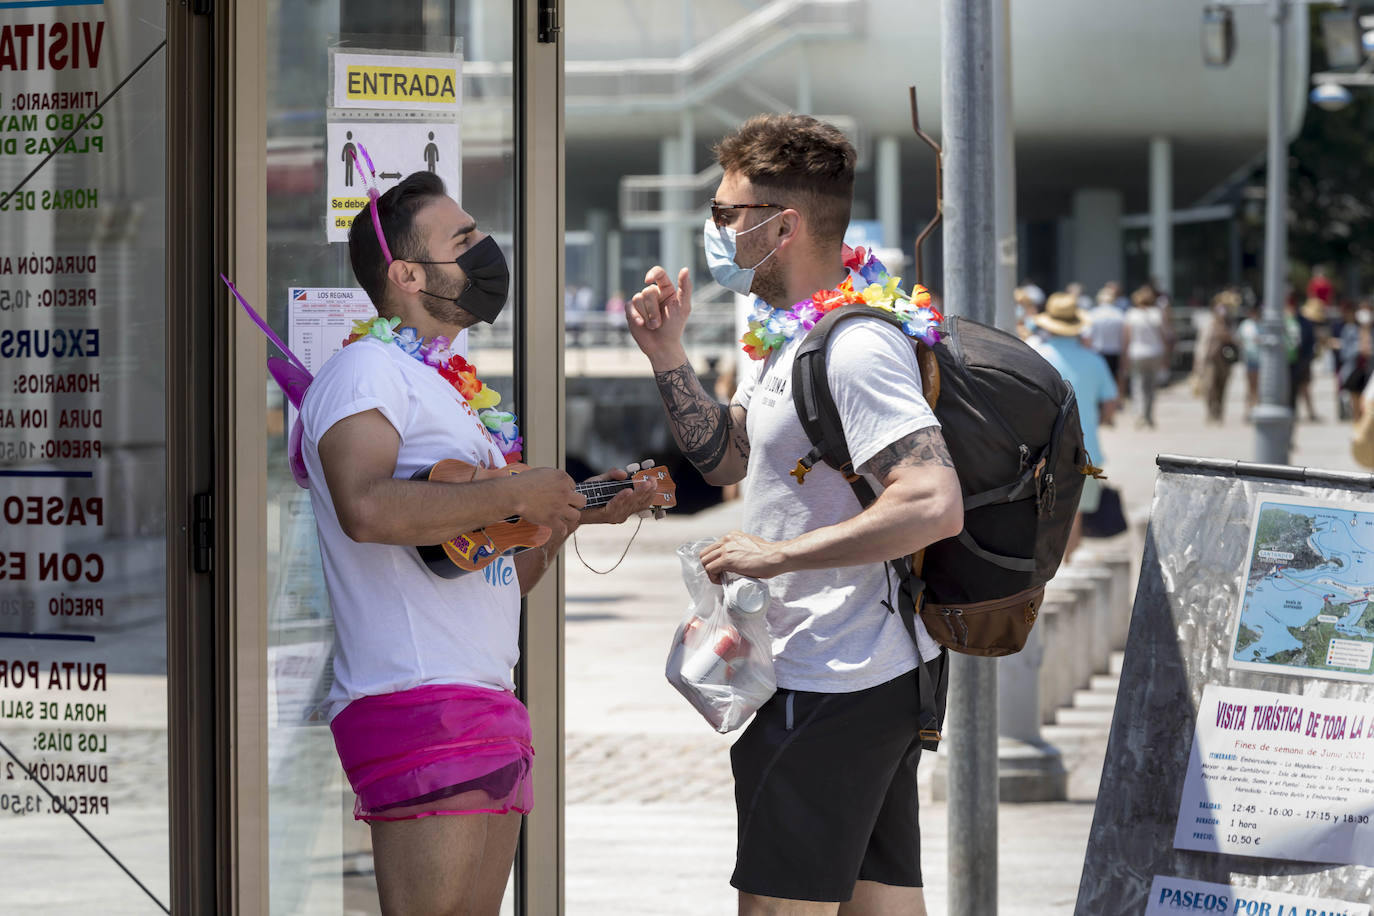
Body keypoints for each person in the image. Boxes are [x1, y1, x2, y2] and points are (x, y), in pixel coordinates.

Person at [625, 114, 963, 915]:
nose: (715, 232)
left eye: (725, 215)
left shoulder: (854, 348)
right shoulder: (791, 335)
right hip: (847, 670)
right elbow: (728, 460)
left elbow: (931, 500)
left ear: (785, 226)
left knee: (777, 906)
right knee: (880, 903)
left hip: (834, 676)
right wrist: (669, 356)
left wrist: (774, 556)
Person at [300, 171, 656, 915]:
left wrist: (565, 517)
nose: (483, 249)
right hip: (415, 699)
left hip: (482, 696)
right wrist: (512, 491)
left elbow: (493, 572)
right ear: (404, 273)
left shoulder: (447, 389)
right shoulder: (364, 370)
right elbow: (364, 507)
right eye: (462, 239)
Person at [1029, 293, 1118, 560]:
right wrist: (1094, 421)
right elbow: (1111, 403)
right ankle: (1068, 564)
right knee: (1074, 513)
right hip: (1086, 447)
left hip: (1042, 447)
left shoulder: (1035, 355)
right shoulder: (1095, 360)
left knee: (1041, 511)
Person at [1120, 285, 1167, 427]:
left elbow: (1127, 338)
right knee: (1151, 386)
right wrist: (1166, 356)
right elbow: (1162, 336)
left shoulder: (1131, 314)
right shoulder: (1156, 313)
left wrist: (1124, 357)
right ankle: (1149, 415)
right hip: (1155, 352)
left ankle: (1139, 414)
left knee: (1138, 384)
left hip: (1137, 352)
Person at [1196, 290, 1239, 423]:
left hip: (1225, 360)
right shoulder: (1209, 322)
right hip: (1210, 359)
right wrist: (1198, 362)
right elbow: (1202, 343)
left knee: (1222, 386)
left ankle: (1219, 412)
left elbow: (1236, 340)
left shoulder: (1230, 324)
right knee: (1209, 386)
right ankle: (1210, 412)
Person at [1086, 283, 1126, 381]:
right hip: (1114, 353)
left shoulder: (1093, 314)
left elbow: (1087, 336)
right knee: (1112, 381)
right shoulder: (1119, 314)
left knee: (1097, 380)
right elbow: (1124, 337)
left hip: (1097, 352)